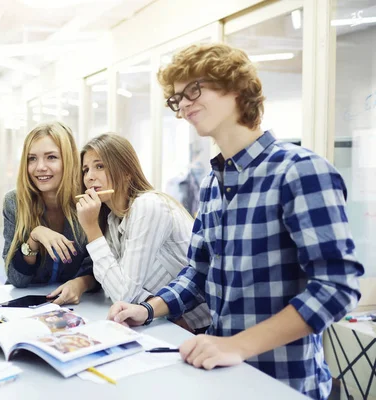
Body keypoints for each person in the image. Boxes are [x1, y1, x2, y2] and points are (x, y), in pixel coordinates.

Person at [107, 43, 364, 400]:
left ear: (236, 87)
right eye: (176, 98)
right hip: (223, 376)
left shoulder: (299, 171)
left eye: (194, 89)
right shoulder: (213, 182)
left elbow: (337, 287)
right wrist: (148, 308)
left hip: (283, 382)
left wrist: (237, 346)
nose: (183, 104)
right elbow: (197, 274)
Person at [76, 133, 210, 332]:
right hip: (167, 322)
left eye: (100, 166)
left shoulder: (147, 206)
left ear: (127, 172)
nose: (89, 177)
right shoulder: (113, 219)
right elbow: (117, 287)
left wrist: (92, 230)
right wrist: (146, 302)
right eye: (86, 169)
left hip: (199, 327)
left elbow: (123, 294)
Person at [3, 121, 97, 305]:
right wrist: (33, 239)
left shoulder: (88, 201)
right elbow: (16, 279)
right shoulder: (15, 202)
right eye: (32, 158)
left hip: (80, 307)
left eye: (51, 157)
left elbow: (100, 265)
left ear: (68, 160)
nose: (40, 167)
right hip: (26, 307)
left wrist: (80, 283)